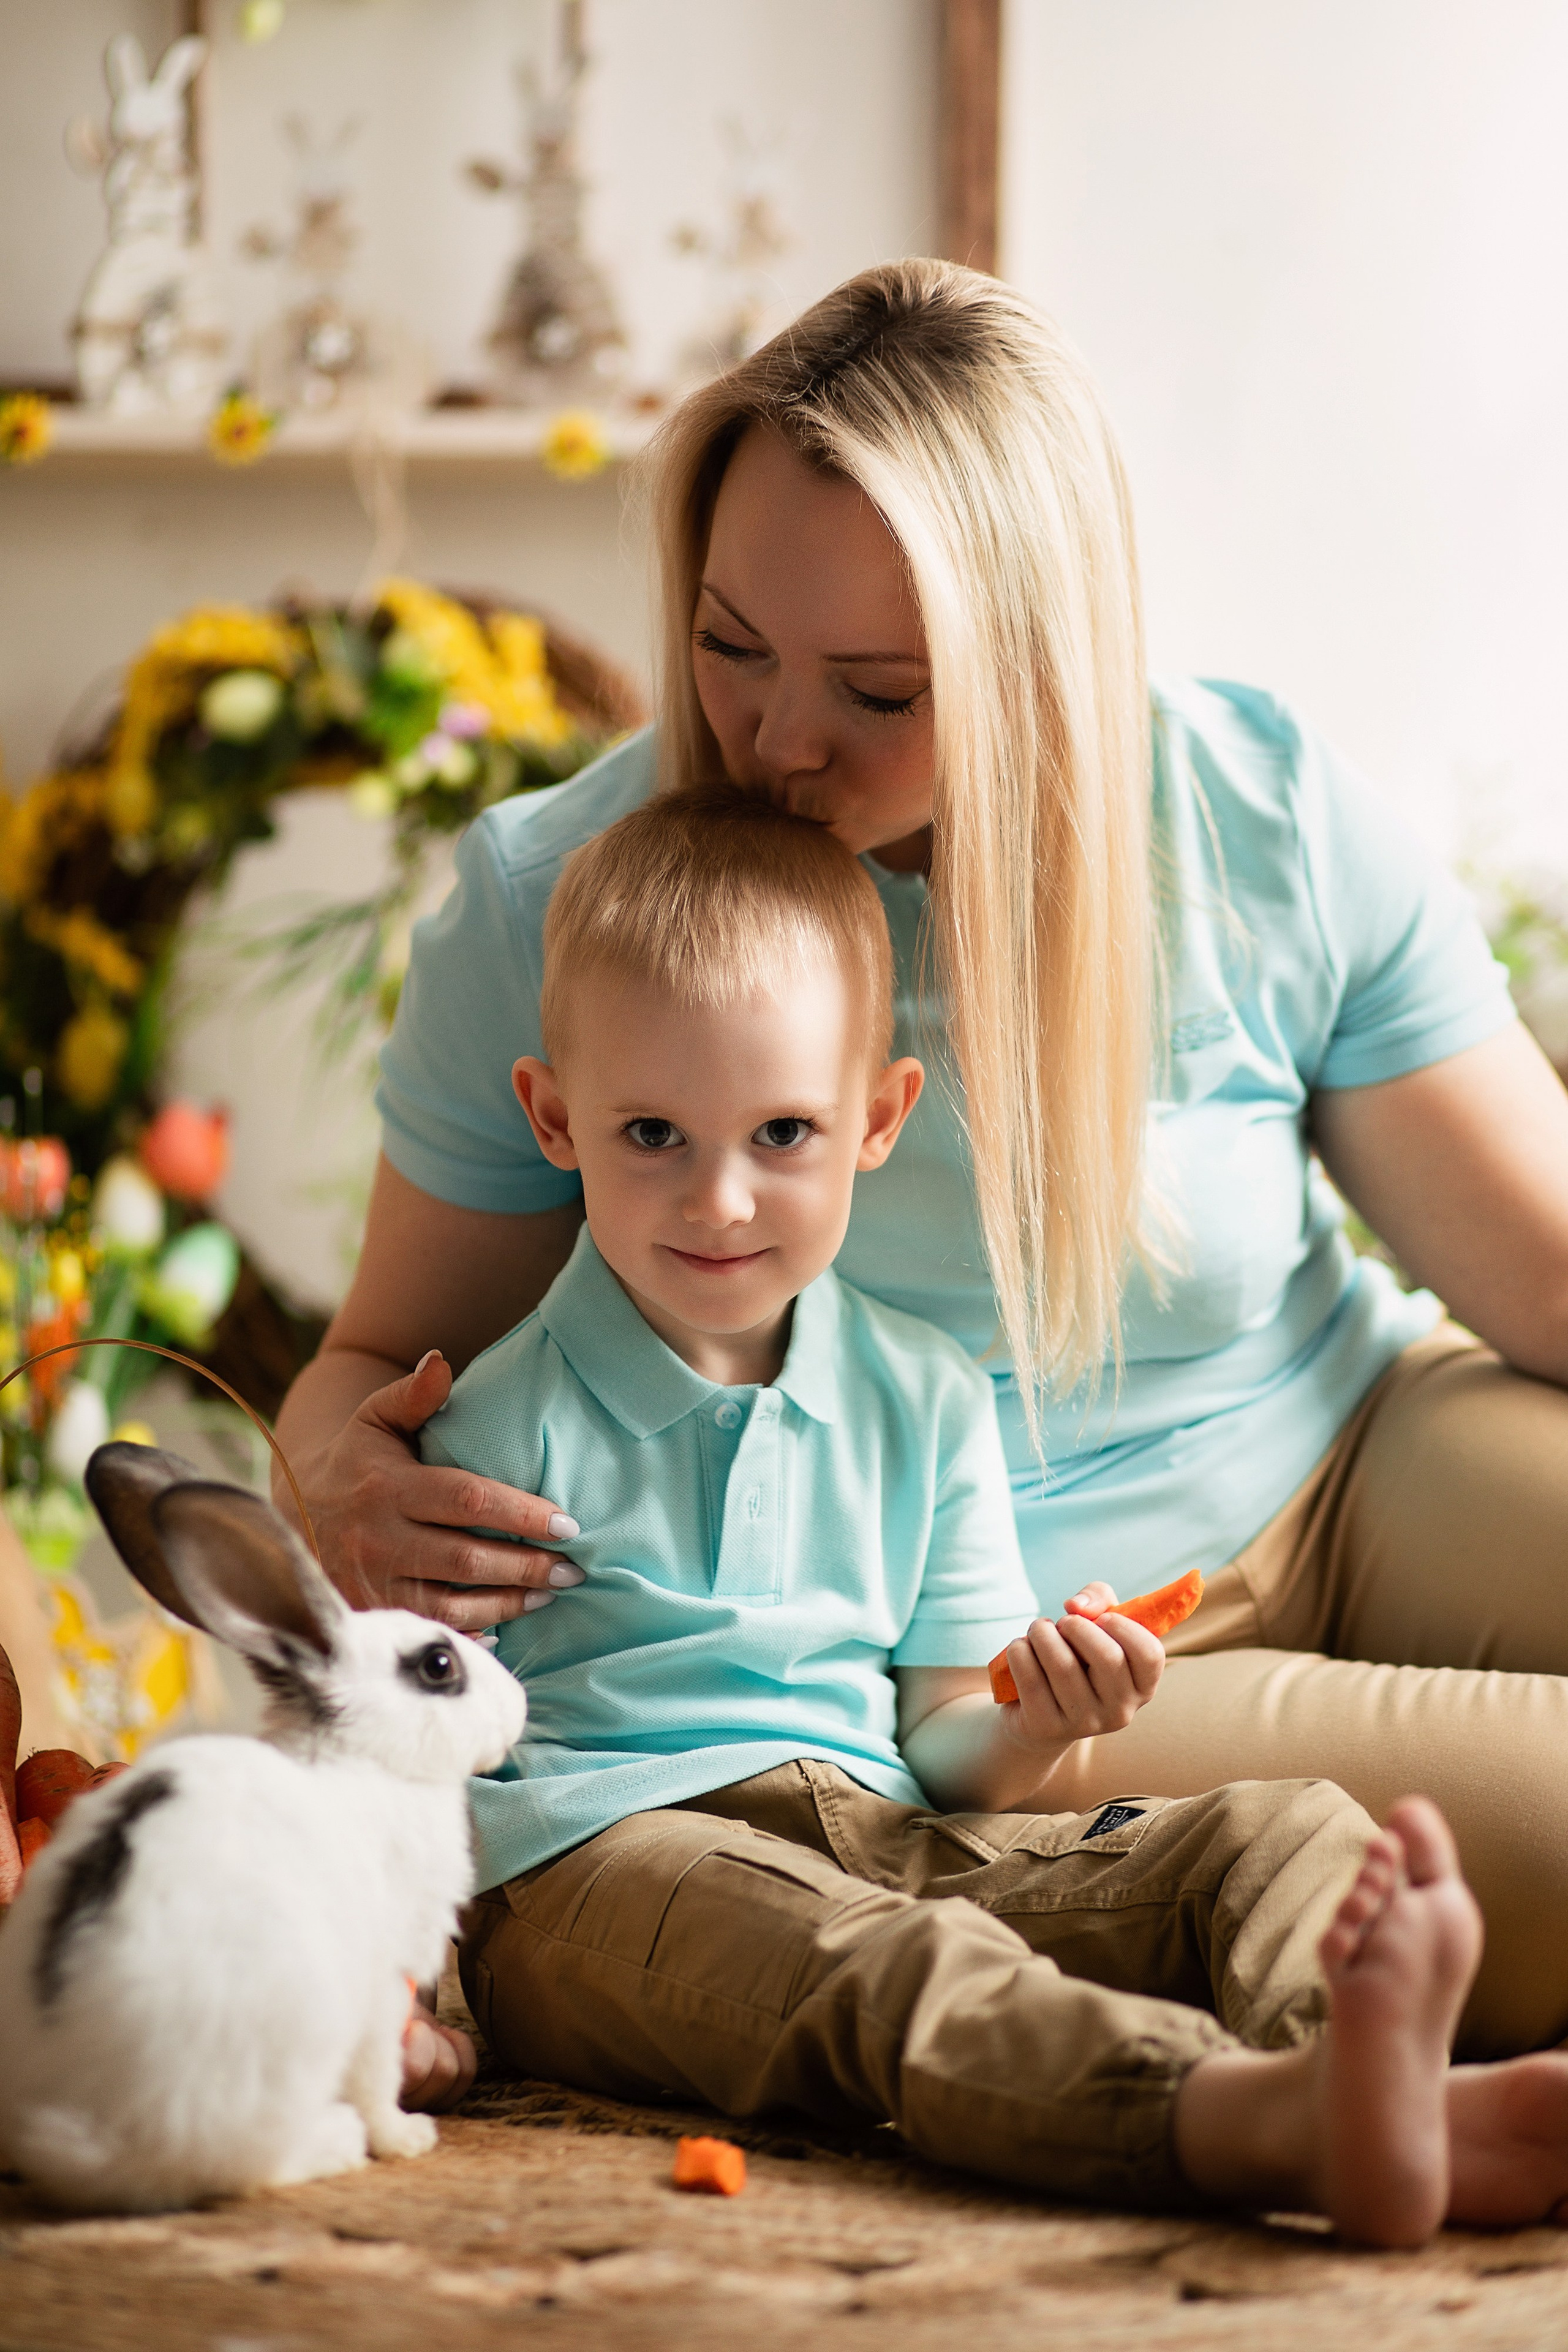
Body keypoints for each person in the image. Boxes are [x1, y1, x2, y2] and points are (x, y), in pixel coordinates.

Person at [275, 260, 1568, 2072]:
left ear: (1047, 662)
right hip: (1022, 1668)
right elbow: (359, 1379)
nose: (779, 738)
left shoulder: (1259, 808)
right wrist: (341, 1473)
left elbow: (1548, 1272)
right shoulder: (558, 904)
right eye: (731, 647)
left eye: (877, 689)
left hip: (1359, 1446)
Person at [426, 783, 1568, 2242]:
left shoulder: (919, 1398)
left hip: (864, 1812)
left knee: (1273, 1837)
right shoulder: (493, 1423)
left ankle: (1345, 2082)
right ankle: (1232, 2121)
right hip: (595, 1859)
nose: (718, 1199)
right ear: (553, 1118)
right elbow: (393, 1729)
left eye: (782, 1132)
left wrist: (1033, 1721)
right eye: (652, 1133)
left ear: (880, 1119)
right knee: (888, 1969)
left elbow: (947, 1750)